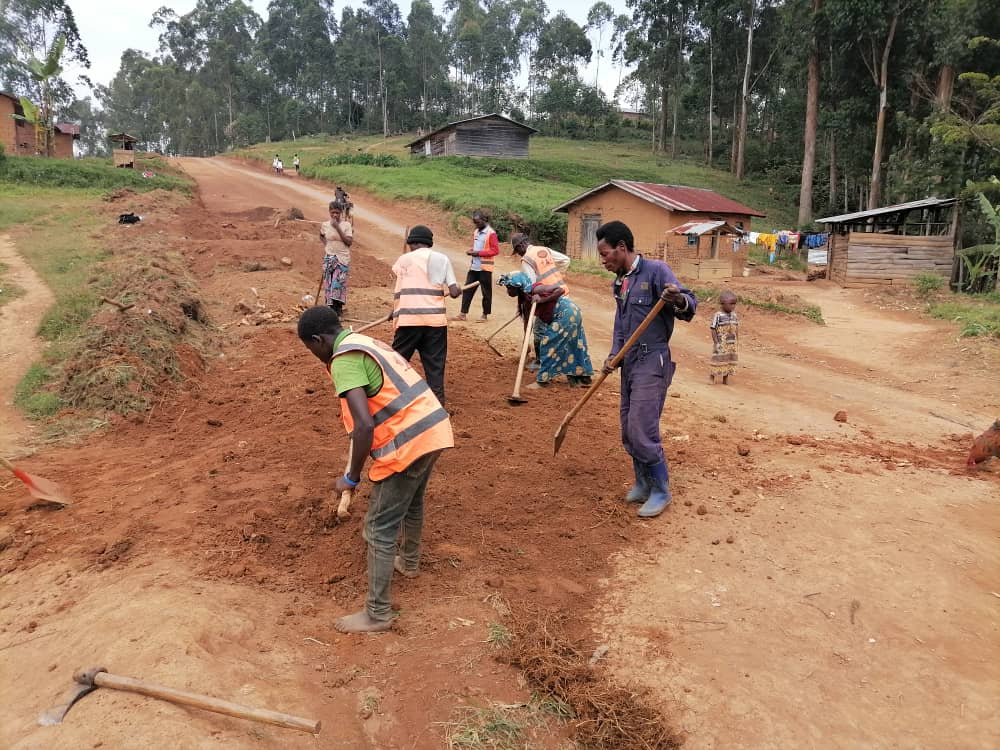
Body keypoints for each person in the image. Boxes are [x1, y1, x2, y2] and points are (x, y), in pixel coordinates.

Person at [297, 306, 454, 633]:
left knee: (379, 527)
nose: (313, 355)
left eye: (310, 349)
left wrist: (351, 477)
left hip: (409, 442)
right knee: (411, 502)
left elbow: (365, 427)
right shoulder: (366, 342)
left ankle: (378, 613)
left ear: (317, 340)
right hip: (433, 429)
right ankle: (408, 562)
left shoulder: (344, 359)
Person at [597, 220, 697, 519]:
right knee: (628, 429)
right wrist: (614, 354)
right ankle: (642, 483)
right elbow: (620, 324)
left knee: (642, 427)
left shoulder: (656, 271)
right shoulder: (620, 281)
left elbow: (690, 304)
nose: (603, 260)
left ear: (622, 248)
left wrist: (677, 298)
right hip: (629, 362)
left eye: (605, 254)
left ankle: (661, 491)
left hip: (652, 361)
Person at [391, 225, 461, 405]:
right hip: (434, 321)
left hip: (409, 319)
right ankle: (438, 405)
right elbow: (453, 291)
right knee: (435, 366)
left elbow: (401, 288)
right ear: (429, 243)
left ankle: (390, 400)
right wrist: (458, 289)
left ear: (411, 243)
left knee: (396, 362)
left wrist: (397, 310)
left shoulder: (403, 260)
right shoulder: (442, 259)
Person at [498, 272, 594, 388]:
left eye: (509, 288)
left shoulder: (536, 289)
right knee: (573, 344)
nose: (508, 291)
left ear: (517, 287)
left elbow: (560, 290)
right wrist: (526, 341)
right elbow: (527, 323)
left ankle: (542, 380)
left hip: (565, 312)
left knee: (547, 343)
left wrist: (543, 300)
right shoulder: (524, 299)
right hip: (571, 313)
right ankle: (583, 378)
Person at [510, 232, 571, 371]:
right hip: (563, 294)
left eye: (517, 251)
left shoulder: (526, 259)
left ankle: (540, 361)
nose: (518, 254)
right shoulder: (543, 249)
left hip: (550, 299)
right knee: (558, 329)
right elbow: (566, 260)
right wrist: (557, 275)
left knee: (539, 330)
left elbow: (531, 285)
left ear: (520, 246)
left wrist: (537, 290)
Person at [453, 209, 499, 322]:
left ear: (485, 220)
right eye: (474, 222)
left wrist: (477, 253)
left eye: (478, 222)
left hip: (485, 268)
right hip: (474, 267)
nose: (476, 224)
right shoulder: (476, 232)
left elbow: (495, 251)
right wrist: (472, 251)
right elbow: (477, 247)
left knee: (486, 292)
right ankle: (462, 314)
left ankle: (485, 315)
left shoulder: (491, 233)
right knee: (467, 289)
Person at [319, 200, 354, 314]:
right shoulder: (325, 225)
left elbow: (349, 242)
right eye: (333, 212)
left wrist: (337, 228)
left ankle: (337, 309)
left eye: (337, 213)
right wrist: (327, 246)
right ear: (329, 212)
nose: (335, 215)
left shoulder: (346, 225)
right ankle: (331, 310)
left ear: (341, 213)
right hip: (329, 258)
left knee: (337, 284)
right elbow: (321, 236)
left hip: (342, 259)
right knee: (329, 284)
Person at [710, 291, 739, 385]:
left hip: (731, 342)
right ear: (722, 304)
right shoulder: (718, 315)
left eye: (734, 304)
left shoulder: (734, 315)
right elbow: (713, 328)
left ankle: (725, 378)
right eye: (731, 304)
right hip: (721, 341)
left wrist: (736, 340)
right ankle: (712, 376)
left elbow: (736, 327)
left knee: (729, 360)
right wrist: (716, 342)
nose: (733, 306)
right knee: (717, 359)